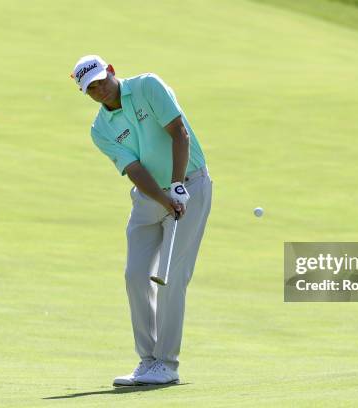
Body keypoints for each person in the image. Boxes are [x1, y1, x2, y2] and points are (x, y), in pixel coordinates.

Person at [71, 55, 212, 385]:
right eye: (91, 88)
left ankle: (167, 364)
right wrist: (164, 198)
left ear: (111, 71)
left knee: (172, 278)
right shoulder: (100, 129)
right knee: (136, 275)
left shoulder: (148, 86)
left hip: (190, 185)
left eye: (101, 80)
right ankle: (148, 361)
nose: (100, 89)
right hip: (149, 199)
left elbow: (179, 133)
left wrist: (177, 186)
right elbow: (134, 169)